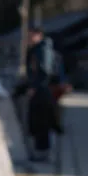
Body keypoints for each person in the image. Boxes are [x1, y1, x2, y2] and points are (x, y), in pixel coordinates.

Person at [25, 28, 57, 162]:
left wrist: (34, 87)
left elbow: (45, 71)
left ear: (39, 35)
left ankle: (44, 154)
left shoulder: (43, 49)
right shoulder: (37, 49)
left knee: (42, 122)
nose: (29, 38)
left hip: (42, 92)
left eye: (32, 35)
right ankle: (41, 152)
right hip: (40, 90)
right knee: (37, 122)